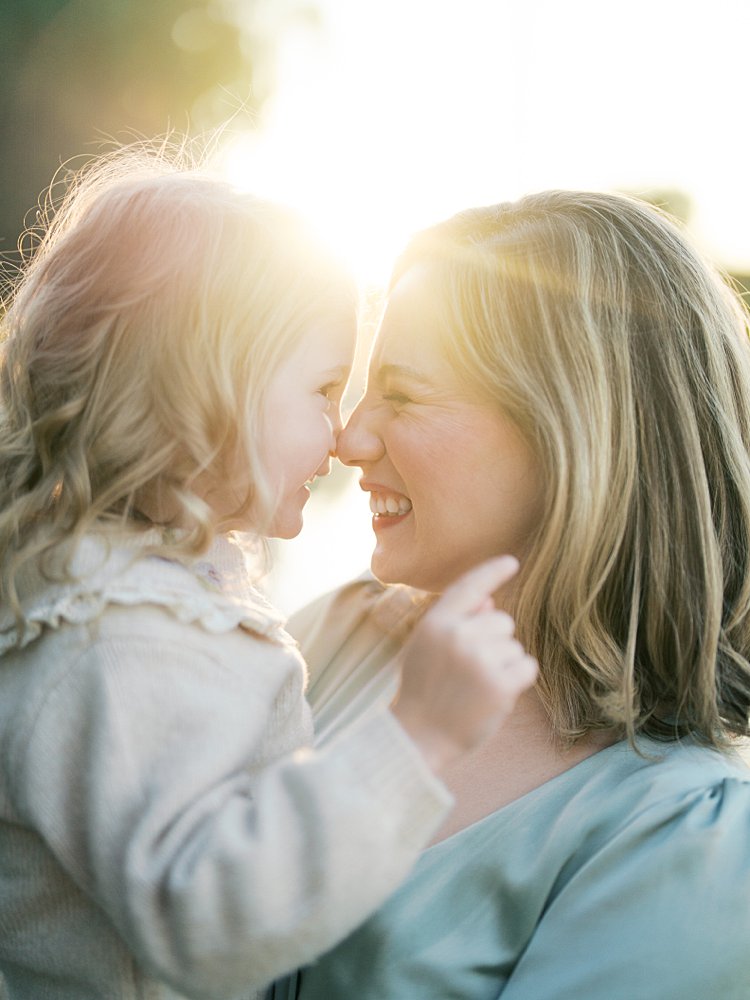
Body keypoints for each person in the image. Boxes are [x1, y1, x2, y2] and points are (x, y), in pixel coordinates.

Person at [0, 149, 539, 1000]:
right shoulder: (122, 639)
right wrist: (416, 735)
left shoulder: (131, 599)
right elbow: (206, 920)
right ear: (203, 388)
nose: (342, 434)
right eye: (324, 389)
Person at [272, 190, 750, 999]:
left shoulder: (686, 839)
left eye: (405, 393)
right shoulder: (340, 632)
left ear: (571, 435)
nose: (349, 436)